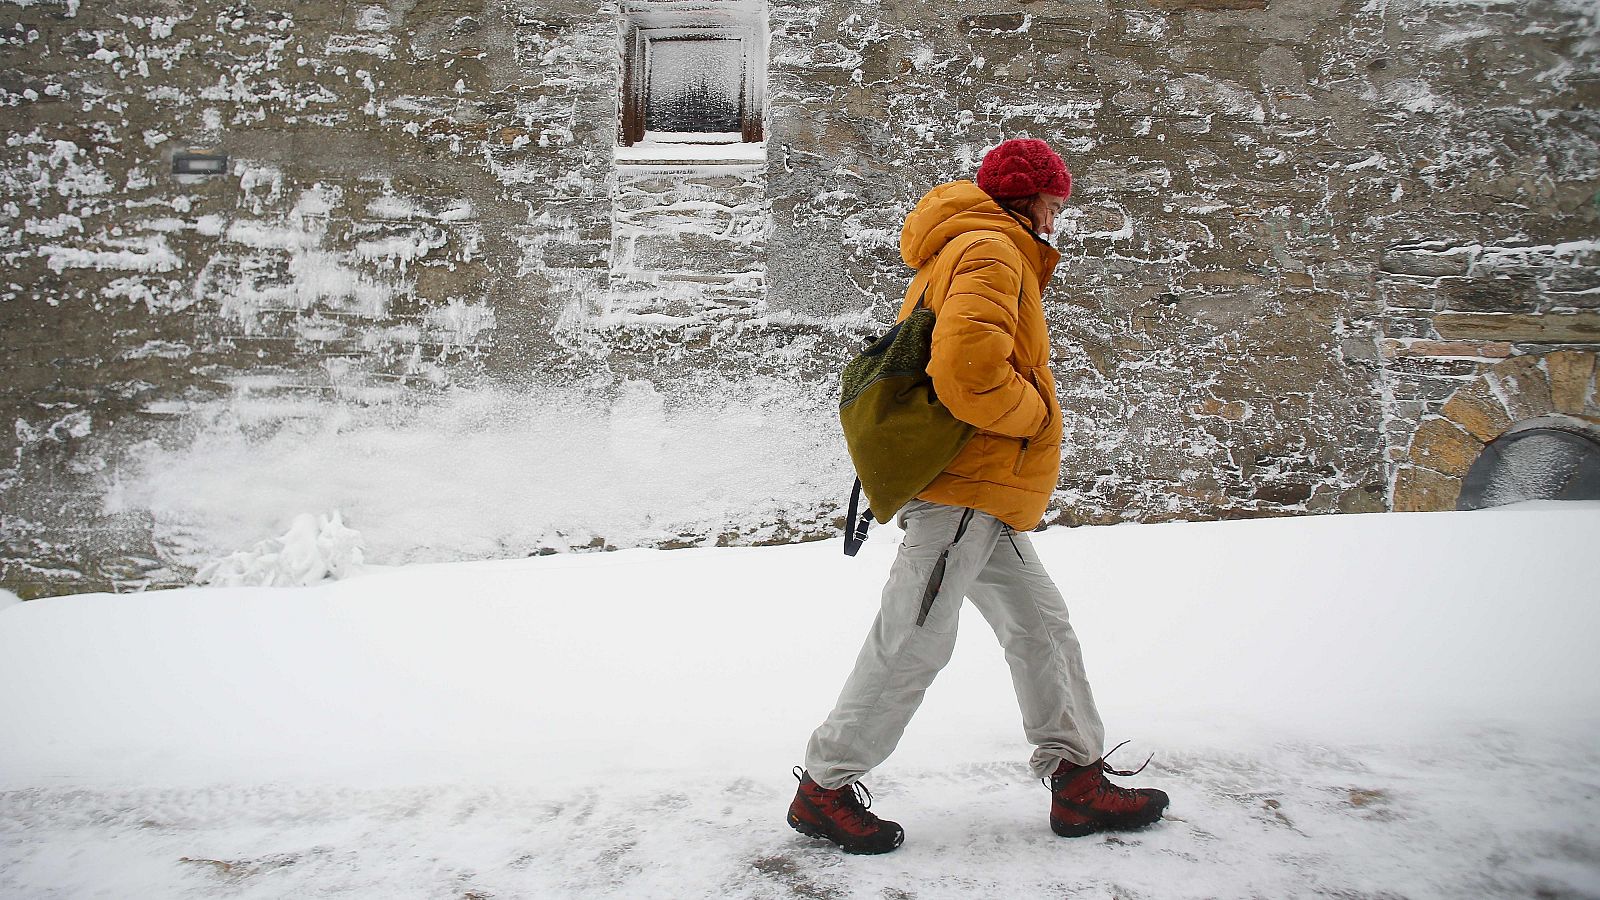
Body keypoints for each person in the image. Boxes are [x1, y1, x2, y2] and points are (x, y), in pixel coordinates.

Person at [786, 138, 1168, 854]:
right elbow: (967, 372)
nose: (1058, 219)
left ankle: (1076, 778)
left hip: (983, 493)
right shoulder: (992, 250)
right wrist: (1038, 416)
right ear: (1029, 199)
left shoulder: (970, 247)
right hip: (966, 489)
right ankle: (825, 789)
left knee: (1042, 627)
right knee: (914, 638)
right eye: (1055, 203)